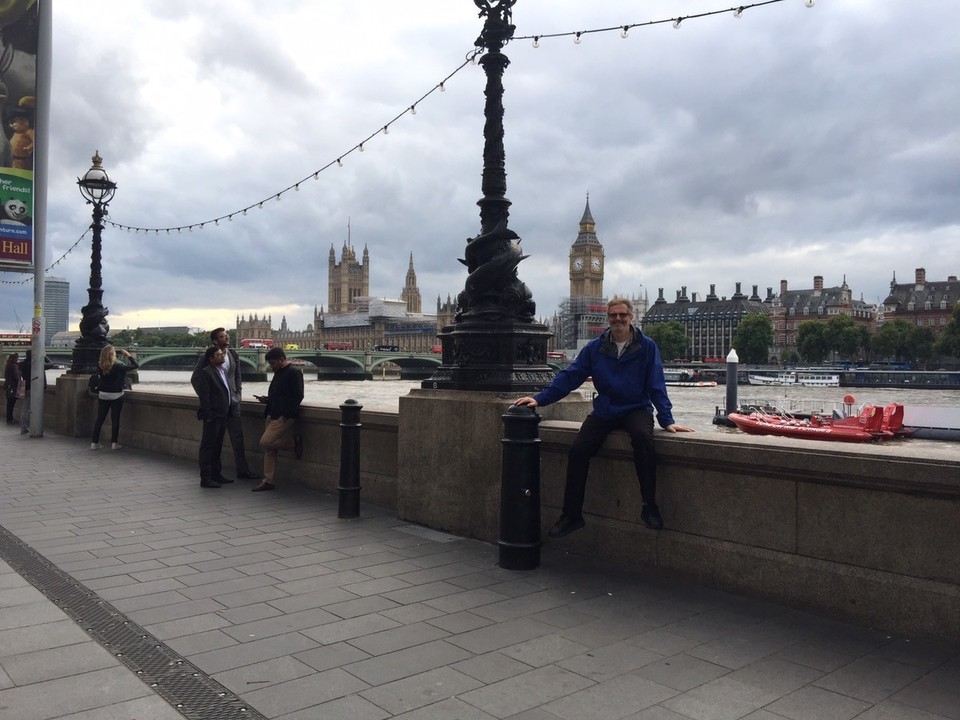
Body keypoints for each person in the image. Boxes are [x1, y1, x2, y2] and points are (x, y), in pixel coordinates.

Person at [514, 297, 694, 536]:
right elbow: (571, 376)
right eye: (613, 316)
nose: (617, 319)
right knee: (578, 451)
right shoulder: (595, 347)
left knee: (643, 440)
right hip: (606, 409)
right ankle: (571, 516)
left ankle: (649, 506)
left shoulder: (647, 346)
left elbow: (656, 385)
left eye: (622, 315)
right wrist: (540, 398)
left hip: (635, 408)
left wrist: (667, 419)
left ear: (631, 317)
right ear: (608, 319)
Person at [191, 328, 260, 480]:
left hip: (232, 403)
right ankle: (213, 474)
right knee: (214, 441)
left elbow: (237, 376)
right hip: (216, 406)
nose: (226, 337)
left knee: (238, 438)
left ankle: (243, 470)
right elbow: (196, 379)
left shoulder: (233, 354)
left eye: (227, 335)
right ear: (215, 341)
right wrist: (208, 400)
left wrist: (238, 394)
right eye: (222, 336)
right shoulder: (207, 357)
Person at [253, 347, 303, 492]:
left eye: (273, 363)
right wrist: (267, 399)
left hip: (282, 416)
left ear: (282, 360)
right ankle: (268, 480)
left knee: (265, 442)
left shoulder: (293, 372)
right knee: (269, 449)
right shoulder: (279, 372)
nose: (271, 366)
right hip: (272, 412)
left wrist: (286, 415)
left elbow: (298, 396)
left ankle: (294, 443)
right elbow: (279, 395)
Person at [194, 346, 233, 488]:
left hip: (224, 414)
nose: (222, 356)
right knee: (208, 447)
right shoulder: (206, 373)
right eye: (218, 355)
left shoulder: (222, 371)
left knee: (217, 446)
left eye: (222, 354)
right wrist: (208, 415)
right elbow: (205, 396)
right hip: (213, 416)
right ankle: (206, 477)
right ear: (211, 359)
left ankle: (217, 474)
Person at [90, 345, 139, 450]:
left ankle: (94, 443)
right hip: (116, 395)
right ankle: (114, 443)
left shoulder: (100, 366)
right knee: (115, 419)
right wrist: (128, 355)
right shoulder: (119, 367)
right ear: (113, 355)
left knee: (100, 419)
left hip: (103, 394)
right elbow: (135, 365)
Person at [17, 350, 44, 435]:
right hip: (34, 387)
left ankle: (23, 427)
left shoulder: (22, 364)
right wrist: (43, 356)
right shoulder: (35, 364)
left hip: (25, 386)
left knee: (25, 408)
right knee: (36, 407)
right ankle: (35, 427)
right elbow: (51, 364)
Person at [4, 352, 20, 425]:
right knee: (11, 404)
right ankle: (10, 419)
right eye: (17, 357)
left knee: (9, 404)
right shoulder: (14, 366)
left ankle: (9, 418)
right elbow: (16, 377)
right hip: (12, 387)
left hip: (8, 386)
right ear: (15, 358)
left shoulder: (8, 365)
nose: (17, 359)